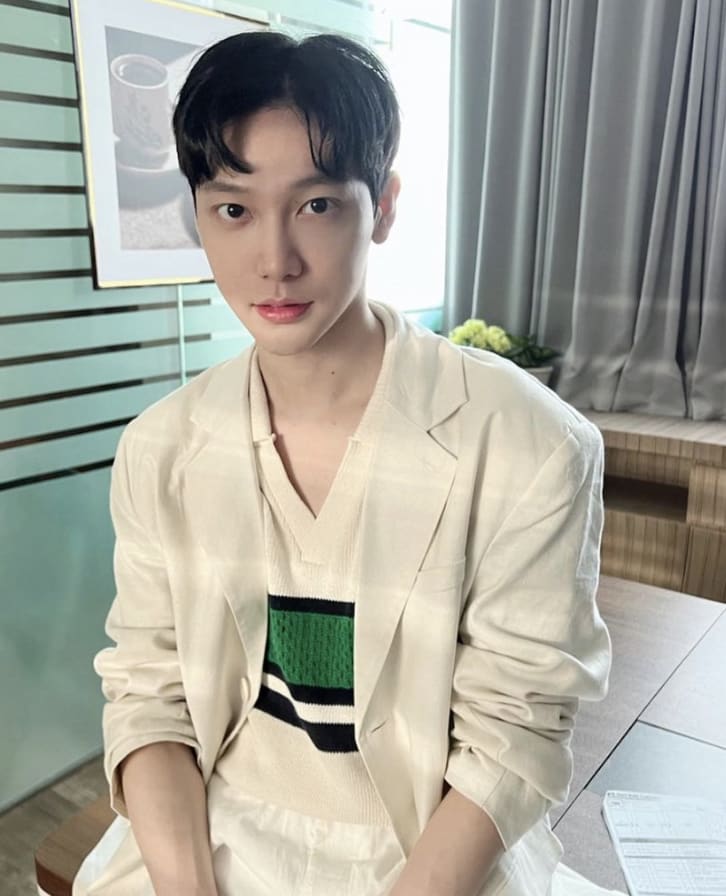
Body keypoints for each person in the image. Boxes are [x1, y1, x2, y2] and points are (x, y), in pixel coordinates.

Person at [75, 29, 621, 896]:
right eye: (234, 210)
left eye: (318, 205)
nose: (275, 262)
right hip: (211, 835)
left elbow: (513, 734)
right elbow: (150, 695)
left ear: (386, 206)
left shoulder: (532, 447)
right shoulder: (161, 449)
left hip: (425, 849)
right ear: (197, 215)